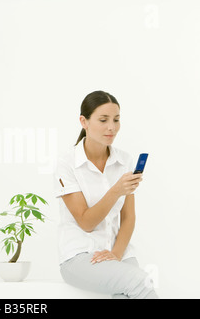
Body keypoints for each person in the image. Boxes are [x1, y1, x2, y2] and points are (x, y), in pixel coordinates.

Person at [53, 90, 158, 299]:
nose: (111, 127)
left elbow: (128, 217)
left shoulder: (124, 161)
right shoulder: (66, 164)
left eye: (116, 120)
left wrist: (116, 255)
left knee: (123, 295)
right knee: (141, 282)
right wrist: (116, 190)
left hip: (118, 252)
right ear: (84, 121)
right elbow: (86, 223)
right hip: (79, 257)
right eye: (103, 120)